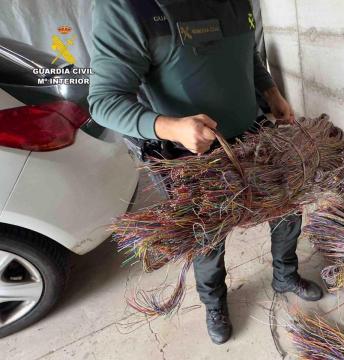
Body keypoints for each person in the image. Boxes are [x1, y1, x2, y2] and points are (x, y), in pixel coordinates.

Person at [88, 0, 323, 345]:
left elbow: (247, 53)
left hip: (253, 134)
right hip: (190, 152)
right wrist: (170, 127)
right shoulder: (126, 7)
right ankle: (215, 302)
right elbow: (104, 101)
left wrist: (271, 92)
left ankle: (285, 275)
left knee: (288, 207)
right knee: (206, 238)